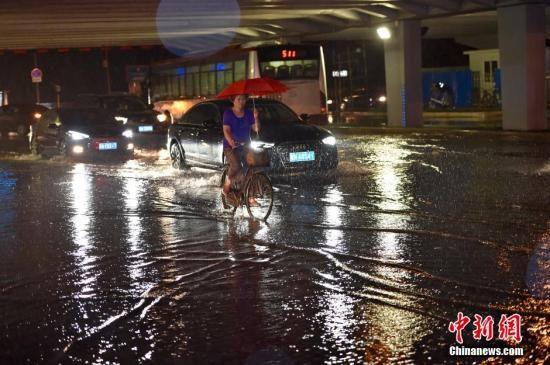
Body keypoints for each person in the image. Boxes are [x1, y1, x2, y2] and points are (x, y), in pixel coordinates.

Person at [222, 94, 259, 204]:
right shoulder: (228, 113)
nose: (241, 101)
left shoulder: (248, 113)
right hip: (230, 146)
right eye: (238, 99)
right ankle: (227, 182)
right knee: (236, 165)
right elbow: (226, 130)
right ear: (233, 100)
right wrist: (231, 141)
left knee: (250, 169)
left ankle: (250, 197)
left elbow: (256, 129)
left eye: (243, 99)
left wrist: (256, 117)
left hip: (246, 145)